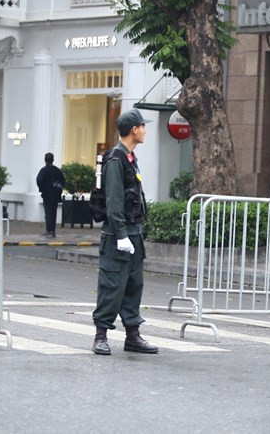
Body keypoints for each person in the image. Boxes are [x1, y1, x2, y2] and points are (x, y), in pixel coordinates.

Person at [92, 109, 159, 356]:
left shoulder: (130, 157)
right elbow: (114, 201)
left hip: (134, 232)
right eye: (143, 126)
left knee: (133, 284)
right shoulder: (115, 159)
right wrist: (121, 234)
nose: (145, 130)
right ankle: (101, 335)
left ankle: (132, 335)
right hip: (117, 235)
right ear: (134, 130)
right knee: (112, 285)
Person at [36, 153, 66, 237]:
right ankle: (53, 230)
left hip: (47, 195)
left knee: (48, 212)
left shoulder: (44, 170)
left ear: (45, 160)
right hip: (56, 195)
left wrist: (42, 189)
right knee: (54, 212)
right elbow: (63, 181)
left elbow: (39, 180)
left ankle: (49, 229)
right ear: (53, 160)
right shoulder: (57, 170)